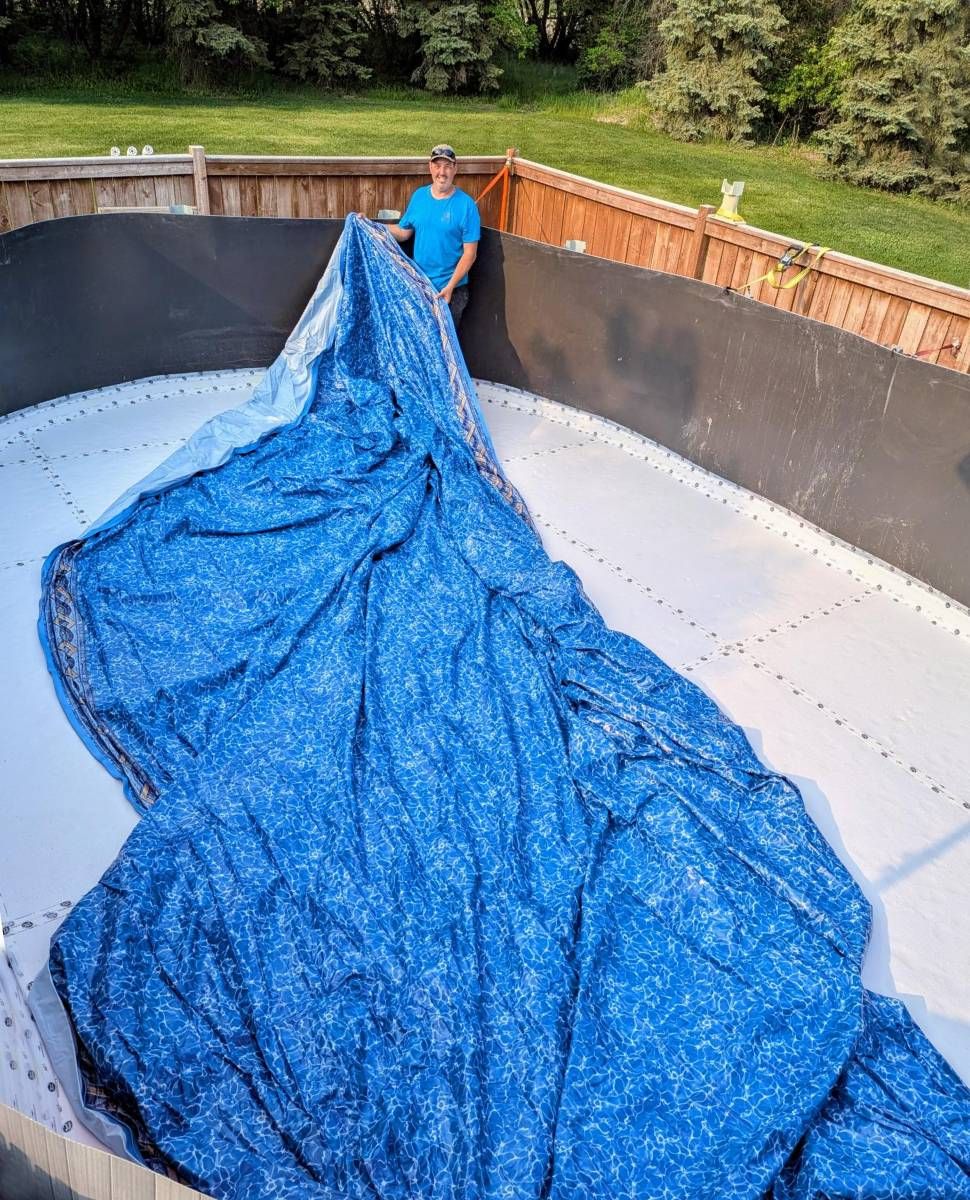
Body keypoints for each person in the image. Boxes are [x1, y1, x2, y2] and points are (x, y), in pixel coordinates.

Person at [389, 144, 481, 330]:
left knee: (444, 350)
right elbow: (403, 232)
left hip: (451, 293)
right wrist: (371, 226)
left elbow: (470, 254)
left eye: (447, 166)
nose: (442, 172)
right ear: (430, 168)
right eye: (437, 166)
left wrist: (450, 286)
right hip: (420, 287)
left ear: (455, 169)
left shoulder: (466, 206)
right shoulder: (419, 196)